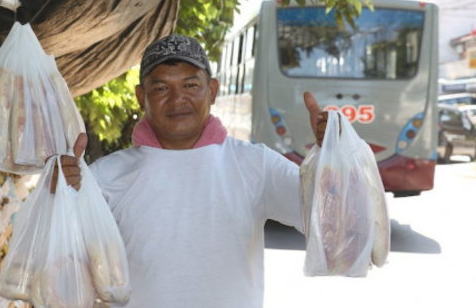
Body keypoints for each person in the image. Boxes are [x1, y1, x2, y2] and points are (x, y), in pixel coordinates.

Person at [53, 34, 329, 308]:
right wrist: (58, 195)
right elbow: (62, 269)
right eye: (161, 88)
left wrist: (334, 158)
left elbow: (331, 224)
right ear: (141, 97)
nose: (177, 98)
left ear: (211, 91)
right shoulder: (105, 176)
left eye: (190, 85)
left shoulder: (256, 165)